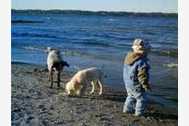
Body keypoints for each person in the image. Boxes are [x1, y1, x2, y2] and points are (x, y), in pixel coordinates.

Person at [123, 38, 151, 116]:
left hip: (128, 82)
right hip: (136, 84)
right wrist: (145, 85)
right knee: (141, 98)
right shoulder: (142, 62)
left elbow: (126, 70)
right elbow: (142, 76)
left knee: (130, 95)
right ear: (145, 51)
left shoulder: (128, 57)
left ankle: (127, 109)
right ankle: (139, 113)